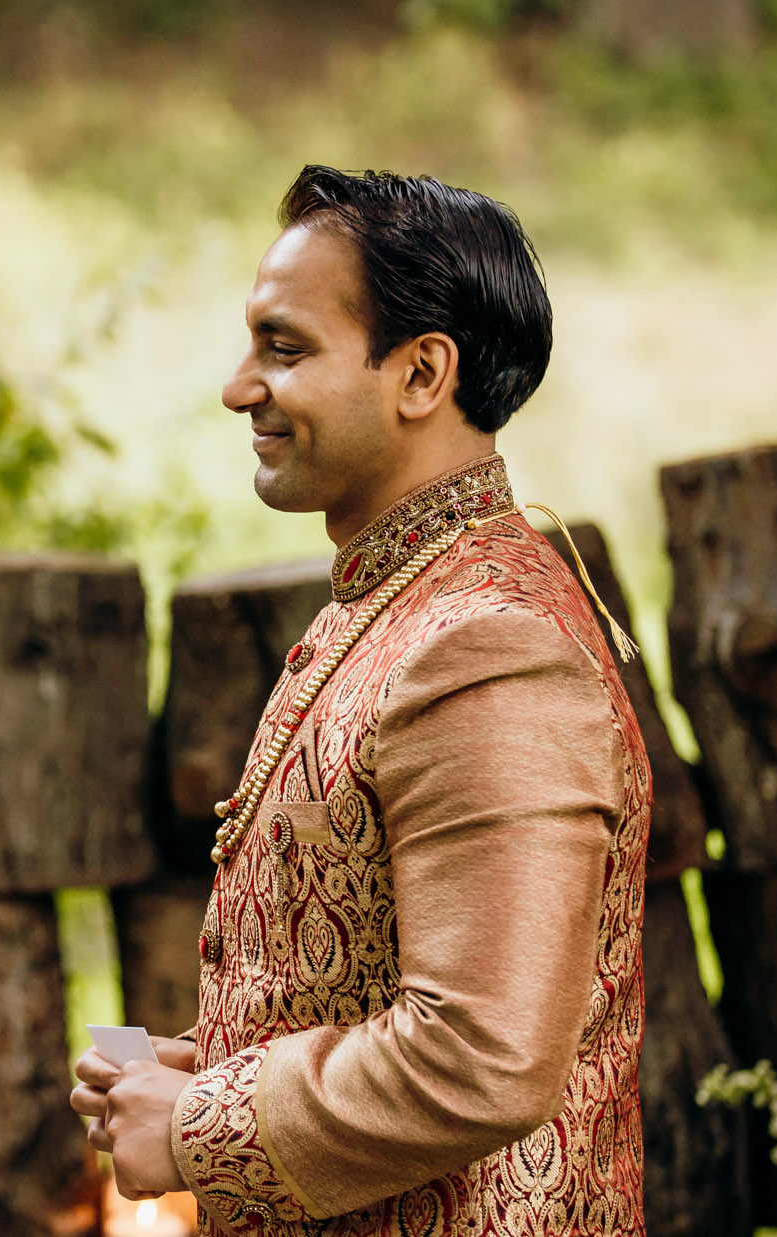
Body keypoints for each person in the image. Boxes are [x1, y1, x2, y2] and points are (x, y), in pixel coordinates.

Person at [73, 167, 650, 1235]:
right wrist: (206, 1070)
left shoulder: (484, 646)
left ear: (421, 373)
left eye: (282, 348)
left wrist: (198, 1127)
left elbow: (481, 1053)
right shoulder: (400, 597)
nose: (237, 386)